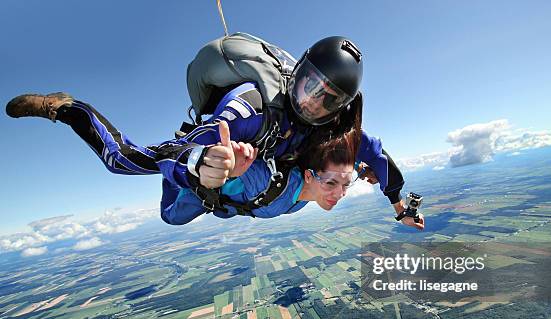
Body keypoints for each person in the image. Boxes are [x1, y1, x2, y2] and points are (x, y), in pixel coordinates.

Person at [6, 36, 424, 230]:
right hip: (217, 166)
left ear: (340, 107)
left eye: (326, 99)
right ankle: (66, 107)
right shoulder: (251, 105)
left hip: (259, 182)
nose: (311, 103)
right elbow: (200, 141)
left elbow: (378, 157)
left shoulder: (336, 127)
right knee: (126, 167)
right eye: (308, 86)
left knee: (181, 214)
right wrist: (205, 165)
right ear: (296, 74)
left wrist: (398, 205)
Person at [160, 121, 360, 225]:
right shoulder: (266, 179)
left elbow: (348, 164)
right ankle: (177, 171)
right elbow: (237, 164)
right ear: (308, 176)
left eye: (346, 184)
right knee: (171, 217)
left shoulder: (315, 187)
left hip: (233, 207)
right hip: (203, 193)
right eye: (331, 184)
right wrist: (224, 160)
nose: (341, 194)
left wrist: (366, 169)